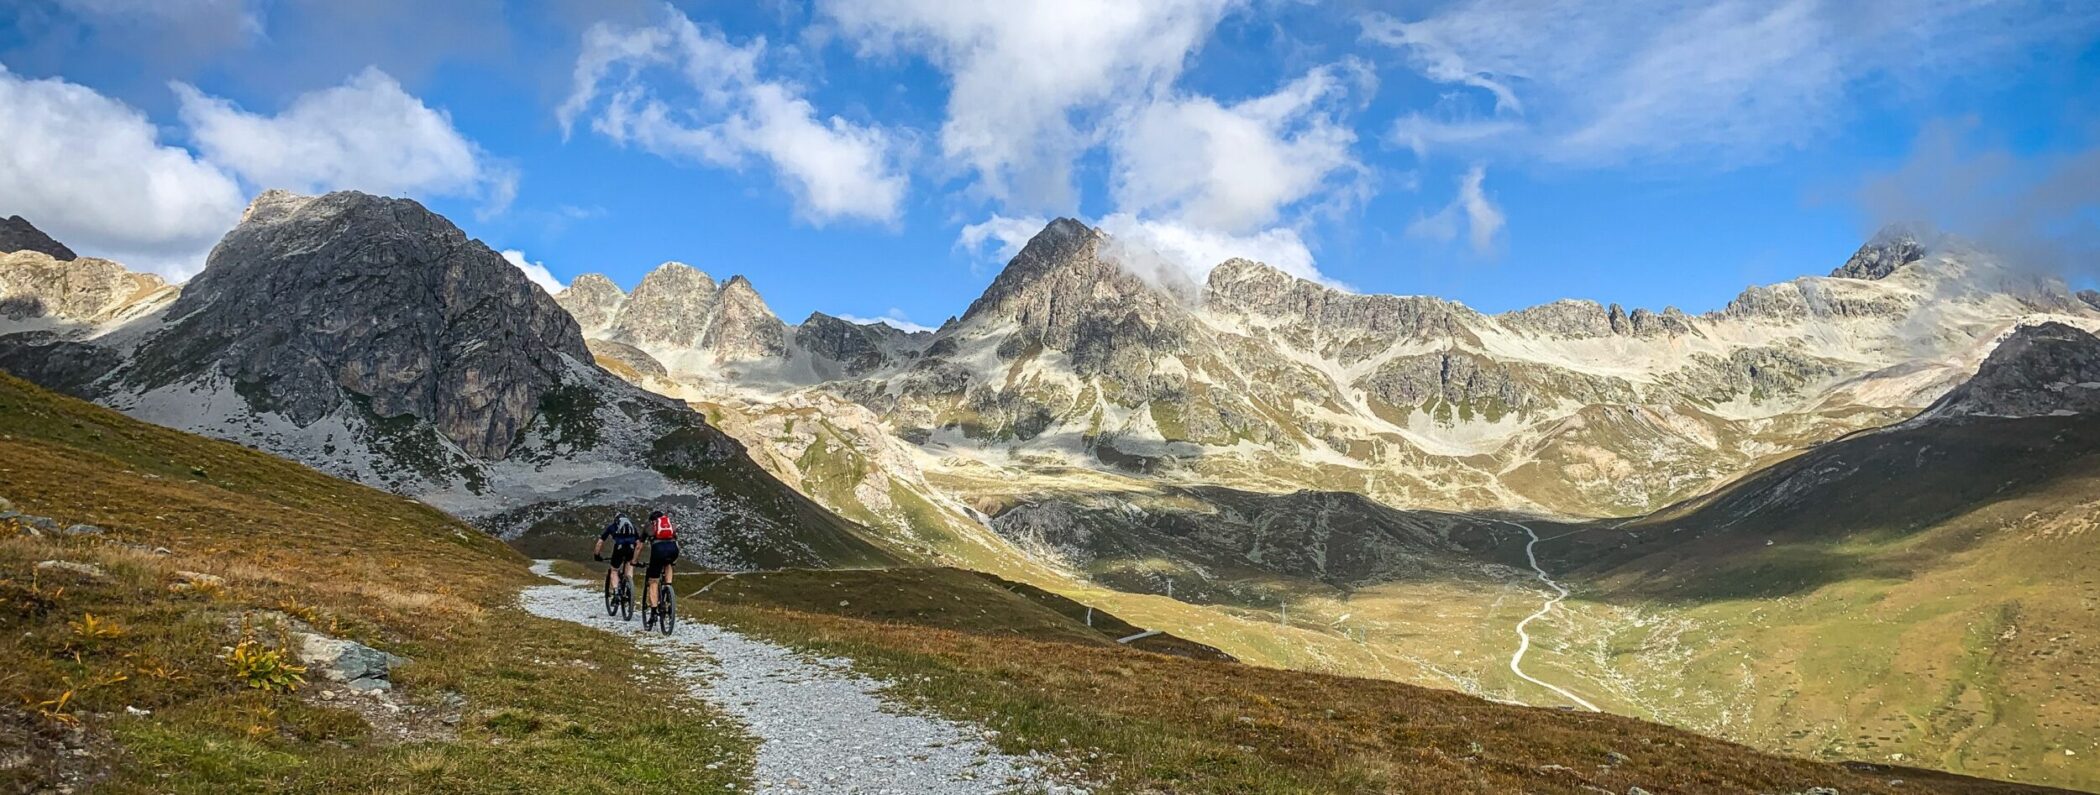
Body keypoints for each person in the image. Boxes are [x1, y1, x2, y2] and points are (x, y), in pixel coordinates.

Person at [592, 513, 641, 597]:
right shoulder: (632, 527)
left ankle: (616, 592)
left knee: (614, 570)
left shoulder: (612, 526)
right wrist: (635, 557)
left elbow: (600, 542)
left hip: (619, 548)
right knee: (629, 564)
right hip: (631, 548)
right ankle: (629, 585)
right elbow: (638, 543)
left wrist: (597, 555)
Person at [643, 510, 679, 612]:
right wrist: (674, 559)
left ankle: (654, 611)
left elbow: (638, 547)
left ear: (652, 521)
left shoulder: (649, 527)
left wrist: (634, 561)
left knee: (653, 581)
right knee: (668, 564)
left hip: (658, 552)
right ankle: (668, 588)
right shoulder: (670, 525)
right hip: (673, 551)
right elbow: (676, 541)